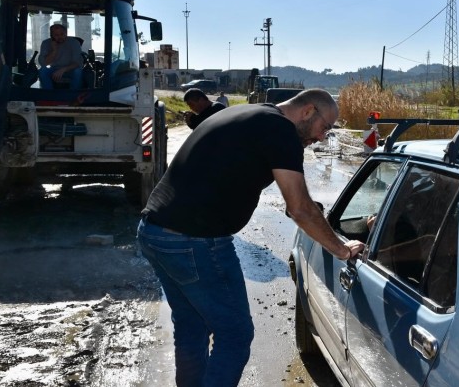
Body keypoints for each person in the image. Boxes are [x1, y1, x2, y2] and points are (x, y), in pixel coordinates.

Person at [136, 89, 365, 386]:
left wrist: (310, 212)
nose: (322, 138)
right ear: (308, 111)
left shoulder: (248, 113)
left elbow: (293, 203)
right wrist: (341, 249)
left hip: (155, 232)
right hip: (195, 241)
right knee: (235, 334)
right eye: (325, 127)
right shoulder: (281, 130)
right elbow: (300, 209)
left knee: (192, 325)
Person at [38, 23, 84, 89]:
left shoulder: (74, 42)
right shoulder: (46, 43)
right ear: (51, 35)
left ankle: (74, 94)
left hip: (70, 69)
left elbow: (78, 63)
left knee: (78, 71)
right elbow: (43, 63)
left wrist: (63, 70)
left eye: (62, 34)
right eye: (56, 35)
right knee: (42, 71)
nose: (60, 37)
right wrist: (54, 51)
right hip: (52, 69)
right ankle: (48, 94)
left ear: (66, 33)